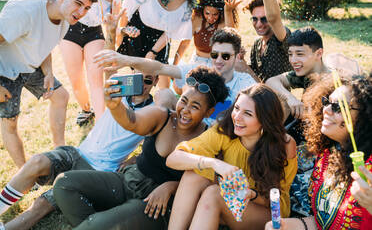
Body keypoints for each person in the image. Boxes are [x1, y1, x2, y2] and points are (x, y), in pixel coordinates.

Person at [52, 66, 229, 229]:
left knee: (96, 225)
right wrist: (115, 106)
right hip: (129, 180)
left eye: (195, 106)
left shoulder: (210, 139)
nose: (185, 110)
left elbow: (211, 183)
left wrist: (171, 187)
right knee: (64, 184)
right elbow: (132, 121)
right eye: (184, 100)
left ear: (208, 112)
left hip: (154, 204)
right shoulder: (163, 116)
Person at [0, 69, 158, 230]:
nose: (142, 85)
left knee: (42, 203)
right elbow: (110, 72)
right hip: (77, 152)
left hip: (97, 169)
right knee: (36, 161)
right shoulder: (118, 94)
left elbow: (155, 148)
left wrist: (135, 159)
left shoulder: (153, 112)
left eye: (148, 80)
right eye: (138, 79)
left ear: (156, 82)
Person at [165, 83, 297, 229]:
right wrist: (213, 163)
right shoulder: (226, 130)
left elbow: (277, 200)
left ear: (265, 120)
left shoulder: (284, 145)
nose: (237, 117)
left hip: (268, 212)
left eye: (248, 114)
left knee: (214, 194)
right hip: (230, 201)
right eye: (236, 108)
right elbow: (173, 159)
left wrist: (252, 195)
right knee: (194, 175)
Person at [0, 0, 96, 168]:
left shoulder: (65, 20)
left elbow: (46, 45)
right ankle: (26, 174)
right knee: (10, 122)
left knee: (61, 96)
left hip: (28, 65)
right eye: (78, 3)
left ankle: (59, 152)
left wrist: (49, 73)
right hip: (4, 69)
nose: (82, 11)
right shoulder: (24, 11)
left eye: (87, 8)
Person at [265, 73, 372, 230]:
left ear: (365, 117)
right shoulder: (328, 154)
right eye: (326, 102)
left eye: (338, 107)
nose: (326, 110)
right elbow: (321, 222)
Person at [94, 27, 257, 124]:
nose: (219, 61)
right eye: (215, 55)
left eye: (226, 56)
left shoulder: (245, 83)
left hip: (219, 137)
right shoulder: (201, 69)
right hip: (189, 127)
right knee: (164, 94)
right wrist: (125, 59)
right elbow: (159, 67)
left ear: (237, 57)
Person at [59, 0, 122, 125]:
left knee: (96, 80)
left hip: (94, 33)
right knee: (76, 81)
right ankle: (86, 110)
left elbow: (114, 29)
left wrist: (114, 29)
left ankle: (101, 124)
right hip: (71, 30)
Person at [116, 0, 196, 88]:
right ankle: (133, 102)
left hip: (161, 41)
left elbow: (170, 32)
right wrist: (122, 33)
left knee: (164, 85)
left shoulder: (187, 3)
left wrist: (153, 52)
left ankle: (162, 103)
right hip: (138, 34)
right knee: (138, 82)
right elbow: (126, 12)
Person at [244, 0, 292, 82]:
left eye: (264, 19)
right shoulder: (257, 44)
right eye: (254, 19)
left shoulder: (281, 37)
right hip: (260, 94)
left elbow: (273, 17)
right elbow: (252, 77)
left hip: (279, 96)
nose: (258, 24)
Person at [186, 0, 239, 67]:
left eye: (215, 14)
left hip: (218, 63)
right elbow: (184, 43)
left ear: (220, 13)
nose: (210, 17)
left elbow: (232, 37)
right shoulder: (197, 19)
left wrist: (228, 12)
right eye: (207, 13)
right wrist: (175, 63)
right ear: (202, 10)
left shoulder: (223, 23)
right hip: (197, 62)